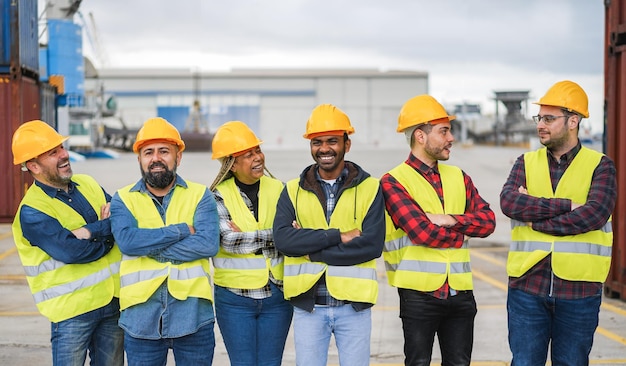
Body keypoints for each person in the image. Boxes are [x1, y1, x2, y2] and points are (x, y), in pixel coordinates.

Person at [500, 80, 616, 365]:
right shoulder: (525, 162)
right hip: (527, 286)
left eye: (549, 119)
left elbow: (593, 215)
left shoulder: (600, 165)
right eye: (539, 117)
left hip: (579, 290)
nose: (541, 124)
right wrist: (564, 206)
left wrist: (536, 221)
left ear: (573, 120)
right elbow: (509, 203)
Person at [380, 95, 496, 366]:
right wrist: (465, 229)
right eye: (444, 131)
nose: (451, 138)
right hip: (418, 296)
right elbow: (423, 234)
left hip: (461, 293)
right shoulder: (393, 181)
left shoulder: (459, 177)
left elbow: (489, 222)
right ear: (420, 136)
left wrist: (449, 219)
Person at [273, 104, 385, 366]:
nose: (324, 149)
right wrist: (338, 235)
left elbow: (371, 245)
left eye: (332, 141)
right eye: (317, 142)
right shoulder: (292, 190)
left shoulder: (370, 188)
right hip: (309, 307)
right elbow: (284, 240)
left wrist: (310, 250)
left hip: (353, 306)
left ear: (347, 144)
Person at [10, 120, 123, 366]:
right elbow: (71, 251)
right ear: (33, 166)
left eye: (61, 148)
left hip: (112, 301)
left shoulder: (88, 183)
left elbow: (122, 218)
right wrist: (106, 235)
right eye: (53, 153)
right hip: (72, 312)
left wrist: (88, 231)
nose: (64, 155)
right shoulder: (32, 211)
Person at [109, 117, 220, 365]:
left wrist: (148, 246)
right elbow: (128, 243)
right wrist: (180, 230)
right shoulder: (123, 199)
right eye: (148, 152)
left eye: (164, 151)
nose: (156, 158)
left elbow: (207, 245)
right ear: (139, 158)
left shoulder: (200, 195)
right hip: (140, 320)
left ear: (178, 157)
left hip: (193, 319)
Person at [209, 121, 293, 365]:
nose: (258, 157)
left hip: (276, 294)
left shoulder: (280, 188)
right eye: (248, 154)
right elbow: (229, 240)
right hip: (235, 300)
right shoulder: (216, 194)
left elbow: (294, 235)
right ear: (232, 164)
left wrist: (248, 235)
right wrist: (277, 234)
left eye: (258, 150)